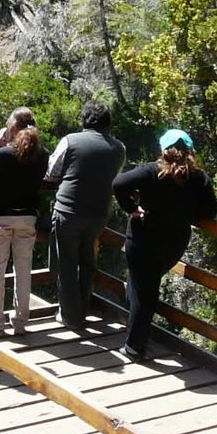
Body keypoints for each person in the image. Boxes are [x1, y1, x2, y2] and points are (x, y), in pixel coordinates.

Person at [113, 128, 217, 359]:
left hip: (142, 239)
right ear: (190, 150)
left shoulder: (150, 171)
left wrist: (132, 208)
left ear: (163, 150)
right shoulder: (198, 179)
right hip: (173, 244)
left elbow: (118, 184)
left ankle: (134, 346)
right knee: (142, 285)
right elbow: (210, 211)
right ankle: (137, 328)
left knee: (144, 291)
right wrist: (189, 212)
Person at [46, 100, 125, 330]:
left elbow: (52, 172)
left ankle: (71, 317)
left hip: (69, 211)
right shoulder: (119, 148)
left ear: (85, 120)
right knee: (87, 262)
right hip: (99, 213)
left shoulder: (71, 141)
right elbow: (116, 175)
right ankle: (82, 308)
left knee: (66, 264)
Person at [0, 107, 50, 338]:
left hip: (0, 217)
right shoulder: (43, 156)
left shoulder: (2, 155)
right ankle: (20, 323)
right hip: (27, 217)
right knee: (23, 271)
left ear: (12, 129)